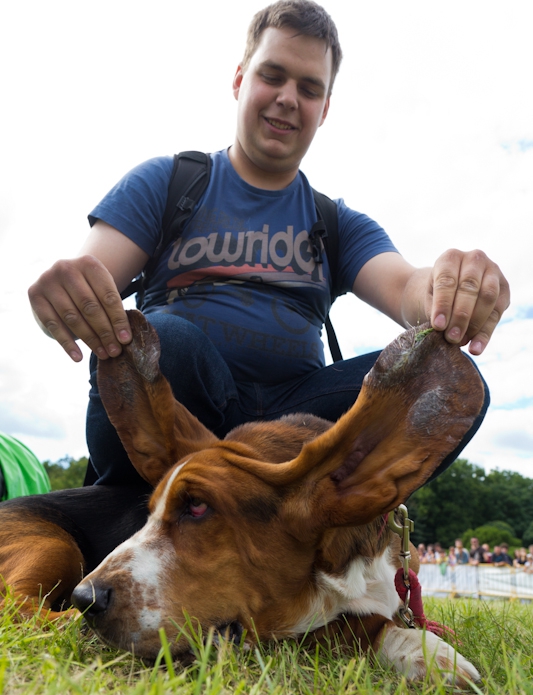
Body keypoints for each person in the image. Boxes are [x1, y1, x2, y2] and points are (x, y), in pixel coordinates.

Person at [27, 0, 510, 489]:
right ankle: (160, 503)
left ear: (324, 109)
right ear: (240, 80)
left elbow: (407, 287)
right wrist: (68, 289)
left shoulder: (336, 223)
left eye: (309, 88)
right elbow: (92, 275)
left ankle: (304, 508)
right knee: (165, 340)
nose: (287, 98)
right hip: (176, 417)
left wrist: (449, 287)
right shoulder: (166, 182)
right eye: (272, 76)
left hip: (296, 432)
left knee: (444, 374)